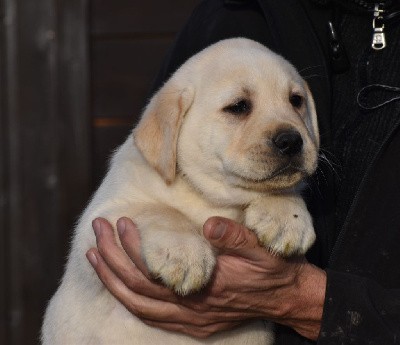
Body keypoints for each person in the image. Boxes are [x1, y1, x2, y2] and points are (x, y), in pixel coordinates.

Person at [85, 0, 400, 343]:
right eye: (239, 107)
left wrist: (307, 300)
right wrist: (162, 226)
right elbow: (100, 239)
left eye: (295, 101)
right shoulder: (231, 12)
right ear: (172, 126)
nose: (290, 132)